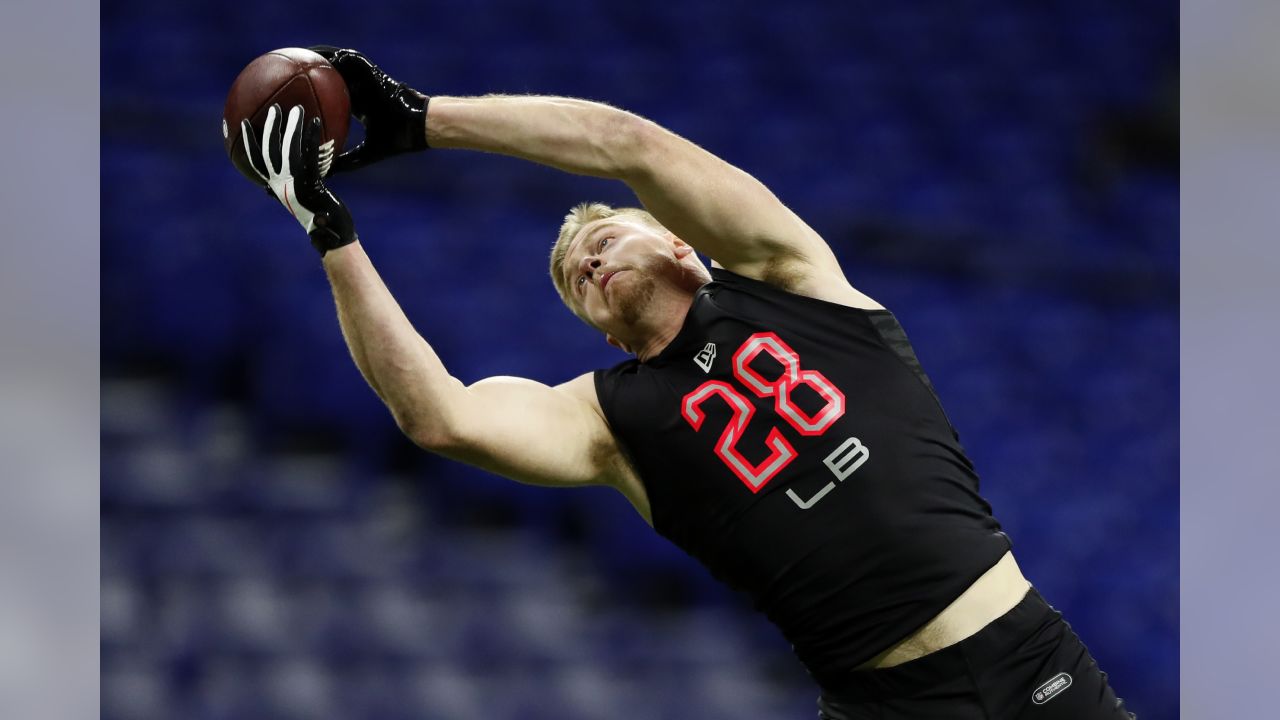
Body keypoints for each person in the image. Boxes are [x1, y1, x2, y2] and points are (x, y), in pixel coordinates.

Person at [236, 46, 1135, 719]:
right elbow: (439, 416)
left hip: (1027, 654)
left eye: (603, 237)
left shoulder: (789, 276)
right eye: (569, 279)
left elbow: (623, 143)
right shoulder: (608, 419)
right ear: (592, 325)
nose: (582, 259)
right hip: (889, 704)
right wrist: (330, 230)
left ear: (676, 240)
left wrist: (425, 120)